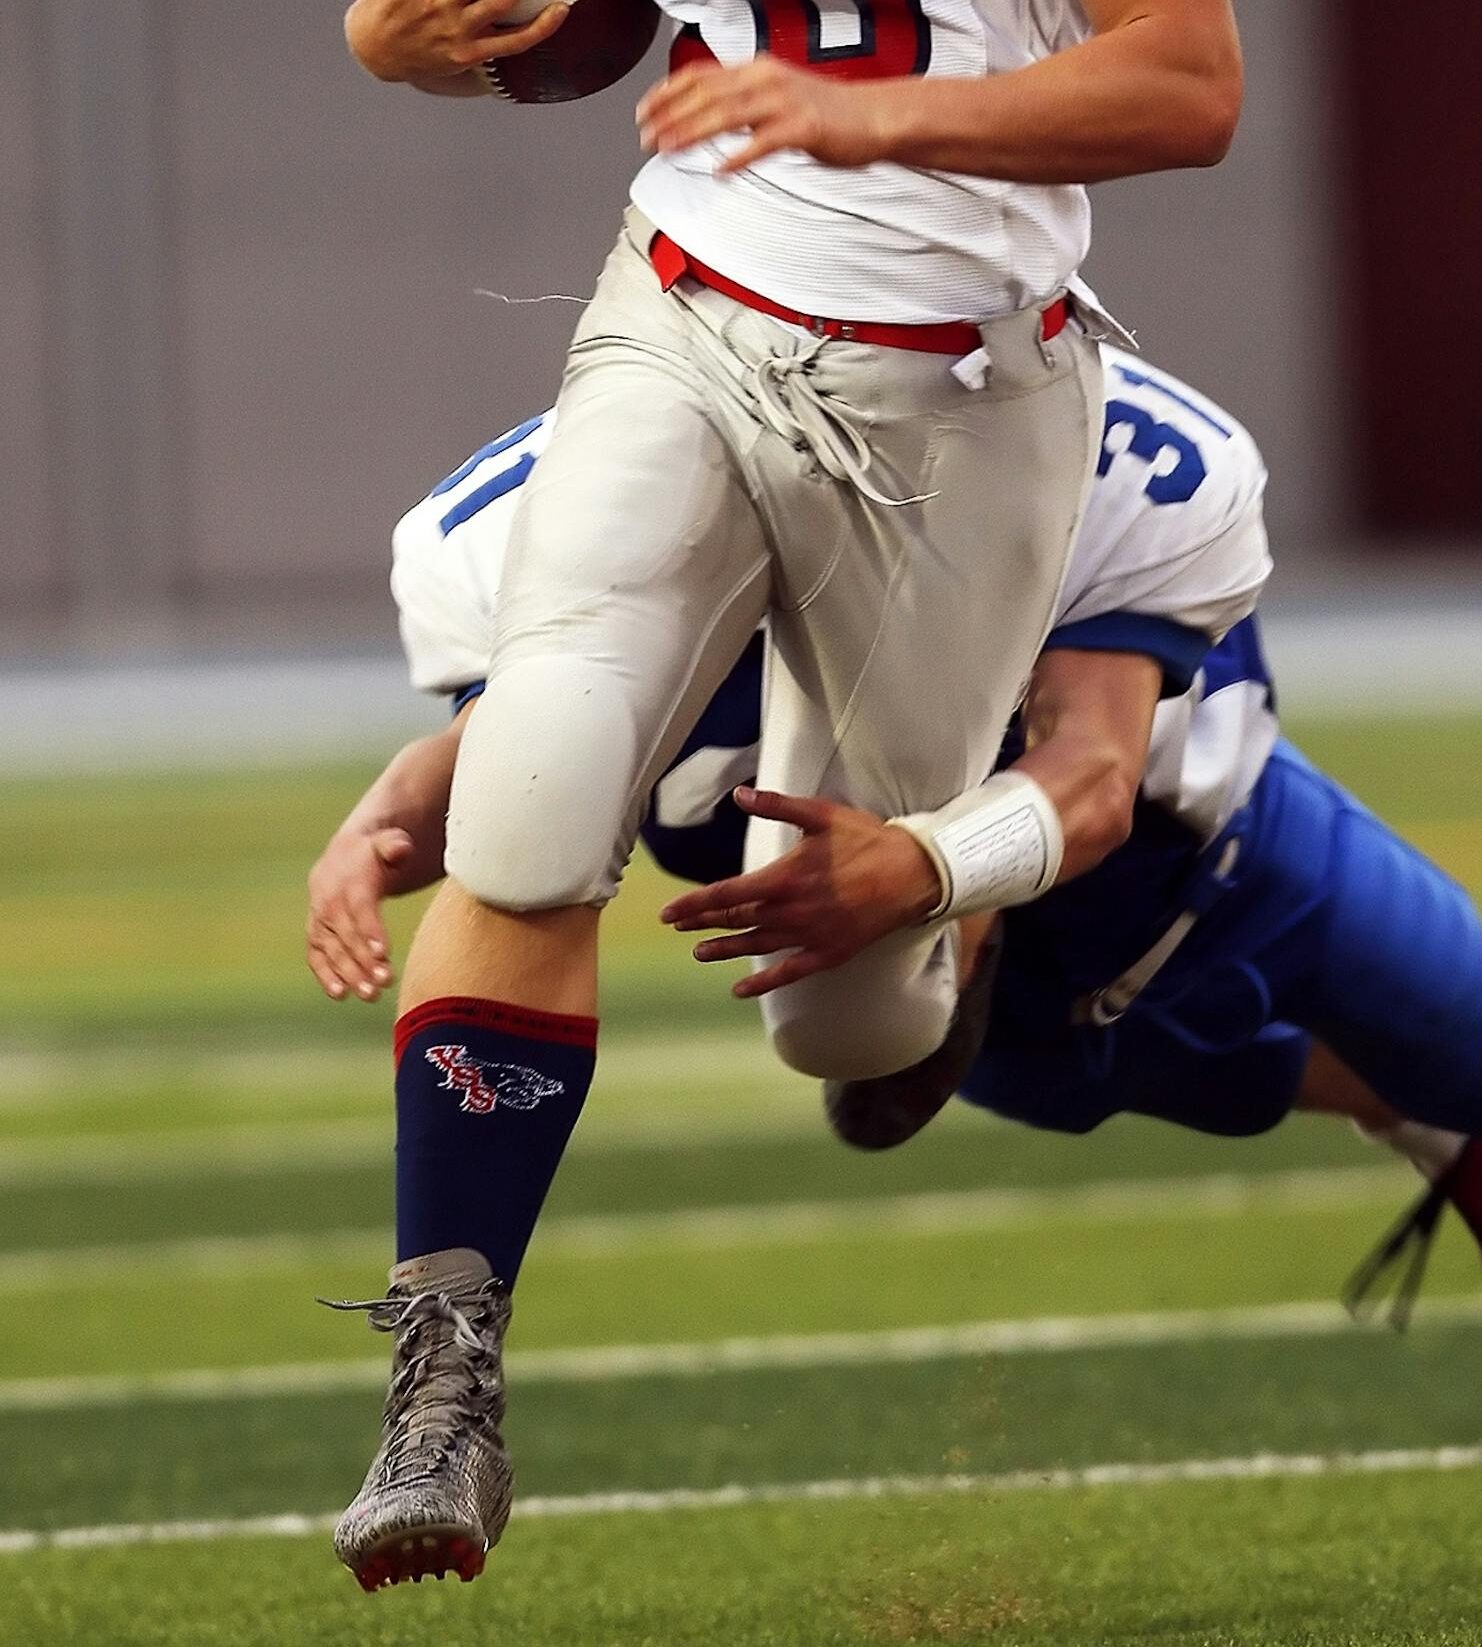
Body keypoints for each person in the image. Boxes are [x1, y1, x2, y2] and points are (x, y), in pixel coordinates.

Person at [311, 351, 1482, 1587]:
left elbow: (1091, 770)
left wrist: (916, 871)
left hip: (1189, 840)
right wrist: (375, 828)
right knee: (904, 1047)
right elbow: (503, 766)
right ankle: (443, 1381)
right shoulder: (590, 507)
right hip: (956, 855)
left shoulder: (1094, 463)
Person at [331, 0, 1244, 1588]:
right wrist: (424, 37)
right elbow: (400, 33)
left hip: (966, 402)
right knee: (532, 796)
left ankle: (959, 934)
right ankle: (442, 1379)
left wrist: (871, 121)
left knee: (851, 1024)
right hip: (682, 313)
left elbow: (1190, 84)